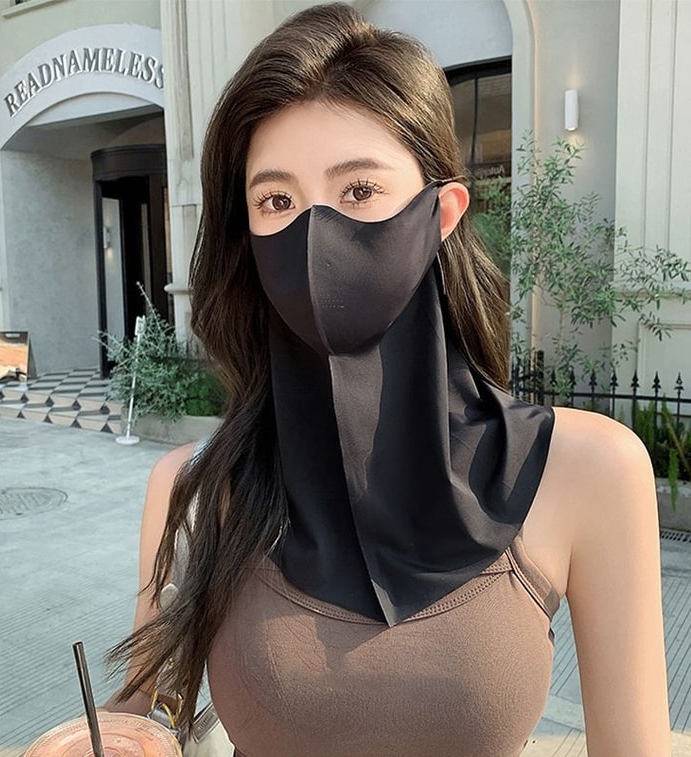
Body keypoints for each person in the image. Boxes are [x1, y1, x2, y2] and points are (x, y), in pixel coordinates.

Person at [104, 4, 671, 755]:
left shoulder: (587, 471)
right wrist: (109, 732)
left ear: (443, 212)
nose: (315, 234)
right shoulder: (197, 490)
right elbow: (143, 712)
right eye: (277, 201)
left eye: (359, 190)